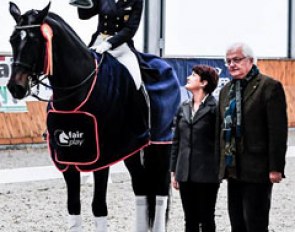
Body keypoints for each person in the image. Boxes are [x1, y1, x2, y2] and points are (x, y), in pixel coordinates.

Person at [218, 42, 288, 232]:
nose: (232, 64)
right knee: (237, 222)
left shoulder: (269, 87)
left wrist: (276, 168)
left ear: (250, 60)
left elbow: (277, 131)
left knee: (255, 223)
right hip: (233, 169)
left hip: (258, 169)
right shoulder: (226, 91)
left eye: (236, 60)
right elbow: (221, 131)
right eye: (228, 61)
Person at [170, 64, 220, 232]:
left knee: (206, 218)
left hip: (207, 173)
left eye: (193, 75)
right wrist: (174, 171)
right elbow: (177, 140)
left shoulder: (216, 108)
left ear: (204, 82)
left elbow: (220, 141)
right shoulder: (183, 107)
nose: (188, 77)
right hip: (185, 172)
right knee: (189, 219)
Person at [70, 0, 143, 90]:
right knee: (81, 71)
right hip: (99, 41)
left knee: (136, 79)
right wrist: (82, 2)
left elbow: (130, 29)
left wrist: (109, 43)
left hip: (121, 44)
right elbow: (84, 15)